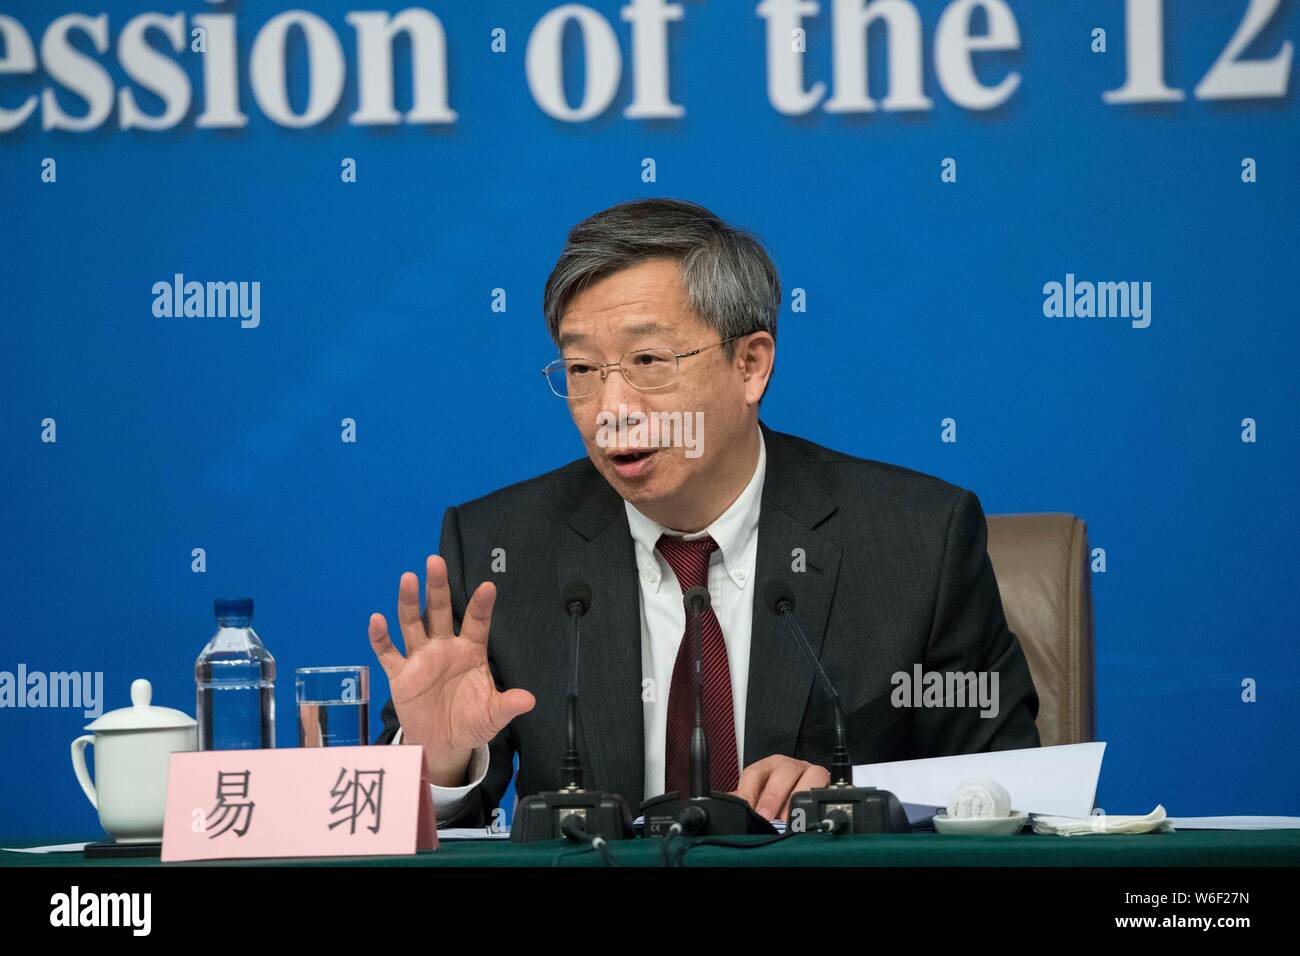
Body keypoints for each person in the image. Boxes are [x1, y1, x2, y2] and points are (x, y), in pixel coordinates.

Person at [369, 198, 1040, 828]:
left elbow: (1010, 793)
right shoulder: (501, 549)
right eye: (581, 370)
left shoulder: (915, 541)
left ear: (750, 365)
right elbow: (428, 825)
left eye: (647, 361)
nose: (611, 410)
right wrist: (442, 761)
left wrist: (855, 802)